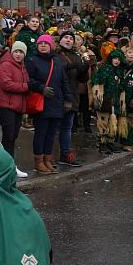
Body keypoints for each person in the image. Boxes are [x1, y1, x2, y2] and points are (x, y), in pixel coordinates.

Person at [25, 35, 73, 174]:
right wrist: (41, 88)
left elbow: (64, 82)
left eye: (46, 43)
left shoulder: (56, 61)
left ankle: (47, 159)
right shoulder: (33, 61)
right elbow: (29, 80)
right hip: (42, 103)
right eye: (41, 43)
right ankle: (38, 161)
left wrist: (68, 99)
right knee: (41, 133)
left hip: (56, 103)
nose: (43, 46)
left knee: (51, 134)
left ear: (51, 46)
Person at [0, 41, 30, 178]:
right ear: (12, 52)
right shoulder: (6, 64)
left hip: (17, 106)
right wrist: (26, 86)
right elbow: (6, 84)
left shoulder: (22, 66)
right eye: (16, 51)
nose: (18, 54)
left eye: (21, 52)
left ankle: (7, 165)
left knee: (13, 136)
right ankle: (7, 167)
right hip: (6, 105)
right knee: (8, 136)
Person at [54, 32, 87, 167]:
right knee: (53, 128)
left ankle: (65, 154)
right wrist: (72, 65)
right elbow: (57, 70)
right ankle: (47, 156)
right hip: (57, 96)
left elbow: (81, 80)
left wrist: (84, 69)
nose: (69, 40)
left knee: (67, 127)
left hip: (72, 96)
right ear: (60, 40)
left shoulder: (76, 56)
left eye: (71, 39)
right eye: (66, 38)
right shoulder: (55, 55)